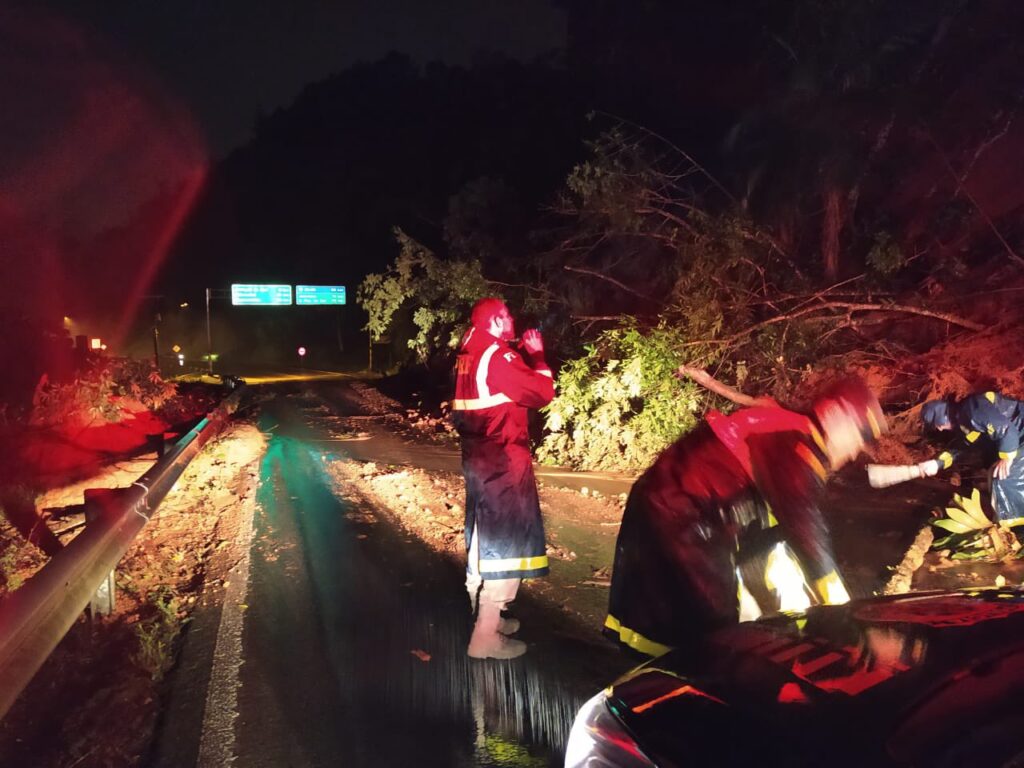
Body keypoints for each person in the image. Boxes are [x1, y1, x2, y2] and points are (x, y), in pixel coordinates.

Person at [604, 377, 886, 657]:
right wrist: (846, 613)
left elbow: (770, 535)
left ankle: (651, 680)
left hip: (669, 504)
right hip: (686, 516)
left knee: (664, 611)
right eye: (860, 434)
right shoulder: (798, 444)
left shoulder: (788, 429)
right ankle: (671, 689)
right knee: (711, 626)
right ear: (834, 414)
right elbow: (806, 529)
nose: (856, 449)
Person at [453, 297, 555, 659]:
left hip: (480, 459)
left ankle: (489, 619)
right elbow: (542, 392)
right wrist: (538, 356)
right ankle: (485, 635)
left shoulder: (468, 355)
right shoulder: (498, 356)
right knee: (505, 544)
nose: (512, 319)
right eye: (507, 315)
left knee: (484, 538)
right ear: (495, 322)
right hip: (503, 461)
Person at [917, 392, 1024, 525]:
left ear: (942, 417)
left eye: (937, 424)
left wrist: (1007, 458)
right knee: (996, 472)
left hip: (1018, 435)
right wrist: (937, 463)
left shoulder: (971, 409)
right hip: (1017, 438)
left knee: (1005, 476)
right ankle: (1006, 519)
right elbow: (960, 449)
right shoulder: (966, 423)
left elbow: (1006, 430)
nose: (940, 429)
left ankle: (1013, 524)